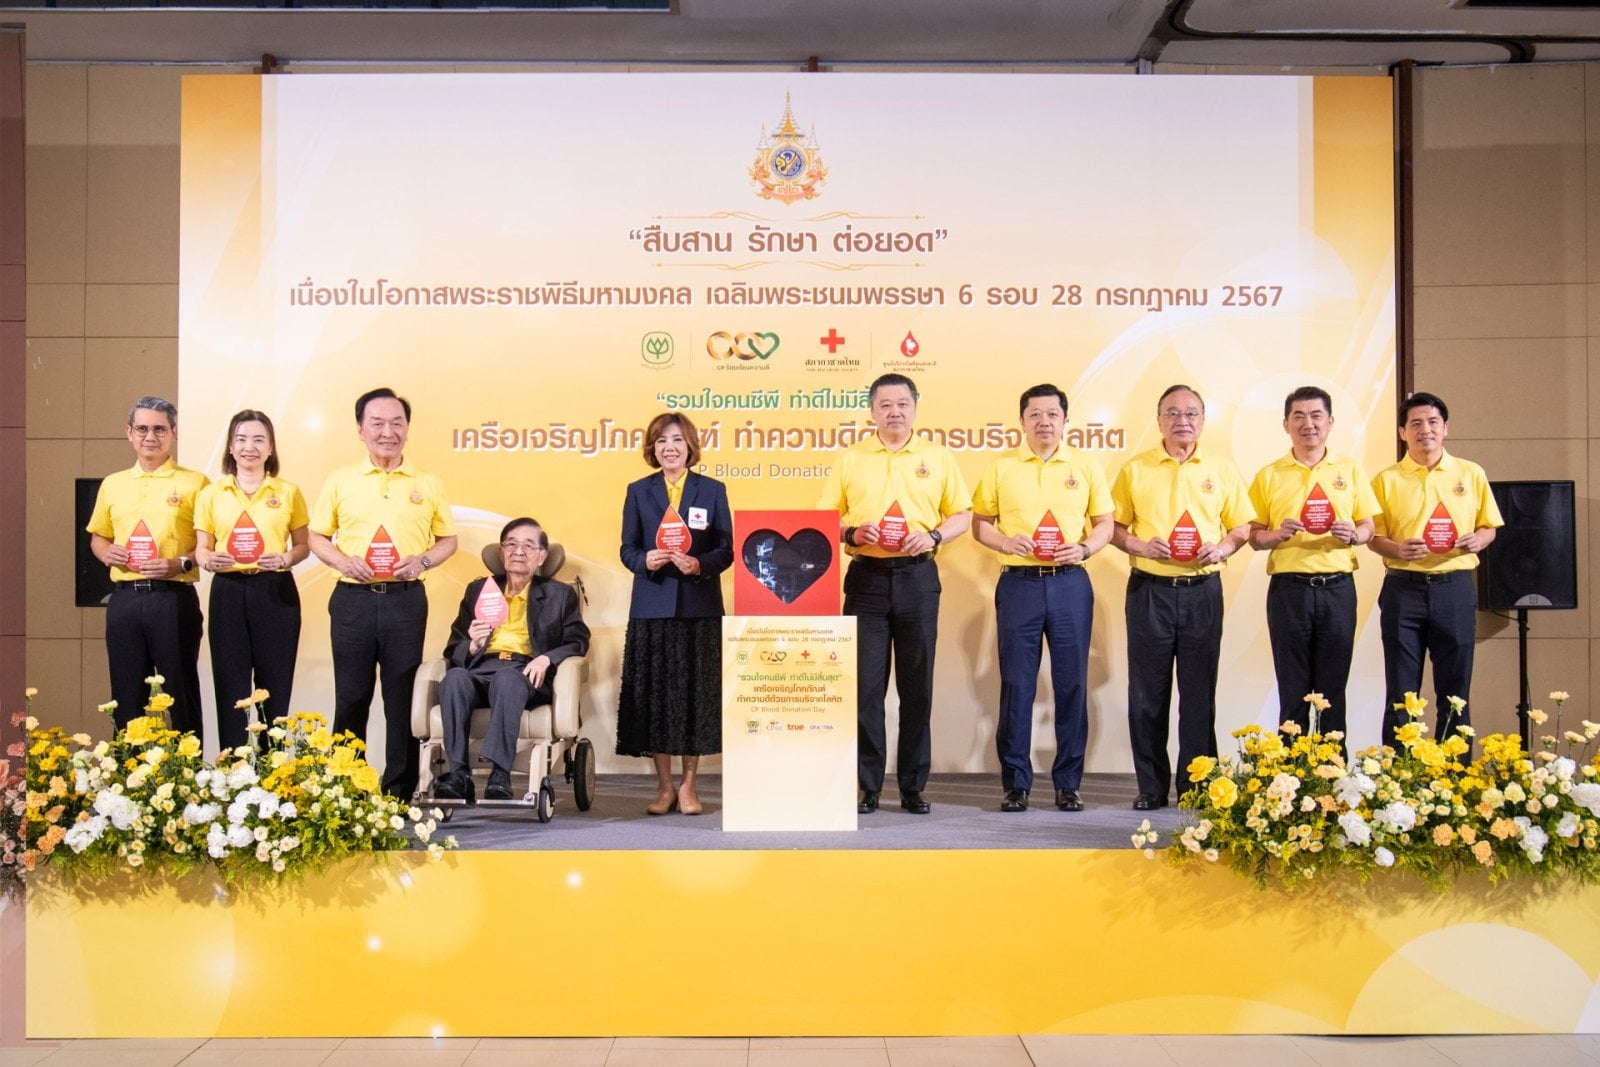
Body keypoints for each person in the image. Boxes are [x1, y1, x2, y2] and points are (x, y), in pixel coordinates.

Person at [818, 372, 971, 815]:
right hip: (866, 580)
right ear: (872, 411)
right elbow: (824, 517)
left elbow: (962, 515)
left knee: (916, 688)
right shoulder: (851, 459)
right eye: (885, 405)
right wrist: (851, 531)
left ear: (915, 407)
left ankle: (912, 788)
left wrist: (934, 536)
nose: (894, 412)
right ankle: (868, 787)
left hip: (918, 579)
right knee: (866, 690)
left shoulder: (937, 457)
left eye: (902, 404)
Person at [308, 387, 457, 798]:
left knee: (401, 698)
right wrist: (342, 561)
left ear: (407, 429)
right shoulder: (341, 480)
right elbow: (316, 536)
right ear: (360, 430)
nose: (387, 432)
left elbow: (448, 540)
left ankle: (398, 792)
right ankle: (346, 789)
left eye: (396, 423)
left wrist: (423, 561)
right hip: (352, 600)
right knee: (351, 696)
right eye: (377, 423)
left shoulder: (427, 483)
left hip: (405, 600)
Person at [972, 384, 1112, 813]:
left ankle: (1068, 784)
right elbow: (980, 523)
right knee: (1017, 684)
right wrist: (1003, 542)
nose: (1044, 422)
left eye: (1052, 414)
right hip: (1019, 584)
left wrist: (1085, 548)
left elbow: (1105, 524)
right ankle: (1016, 784)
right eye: (1035, 414)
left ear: (1065, 420)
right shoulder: (1001, 467)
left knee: (1072, 683)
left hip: (1071, 583)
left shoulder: (1085, 466)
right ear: (1022, 421)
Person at [1110, 384, 1251, 811]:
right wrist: (1140, 545)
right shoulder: (1135, 469)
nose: (1181, 421)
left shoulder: (1222, 469)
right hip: (1149, 591)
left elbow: (1241, 527)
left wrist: (1222, 549)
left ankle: (1197, 786)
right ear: (1159, 421)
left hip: (1202, 592)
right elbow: (1113, 528)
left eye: (1191, 413)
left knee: (1198, 695)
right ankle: (1151, 787)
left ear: (1203, 421)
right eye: (1172, 413)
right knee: (1147, 695)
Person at [616, 412, 733, 816]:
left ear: (690, 447)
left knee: (694, 697)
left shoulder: (712, 490)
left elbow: (726, 550)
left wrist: (699, 564)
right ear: (653, 448)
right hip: (652, 607)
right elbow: (627, 548)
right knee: (657, 698)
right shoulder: (638, 491)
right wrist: (644, 560)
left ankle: (689, 786)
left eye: (678, 440)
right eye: (662, 440)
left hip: (699, 607)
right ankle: (664, 787)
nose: (670, 447)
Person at [1247, 386, 1380, 738]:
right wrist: (1276, 535)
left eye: (1316, 415)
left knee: (1332, 691)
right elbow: (1254, 536)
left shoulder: (1350, 470)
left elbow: (1369, 527)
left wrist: (1354, 534)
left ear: (1330, 422)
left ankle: (1331, 767)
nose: (1309, 424)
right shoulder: (1269, 475)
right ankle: (1290, 769)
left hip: (1338, 589)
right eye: (1299, 416)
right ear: (1286, 424)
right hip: (1289, 591)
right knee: (1292, 689)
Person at [1370, 391, 1503, 742]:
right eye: (1415, 424)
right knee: (1401, 693)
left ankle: (1454, 771)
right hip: (1403, 589)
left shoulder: (1470, 473)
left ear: (1445, 428)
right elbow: (1373, 538)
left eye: (1432, 422)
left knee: (1455, 692)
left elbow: (1489, 527)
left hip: (1454, 588)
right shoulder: (1386, 479)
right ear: (1403, 432)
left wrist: (1479, 540)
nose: (1425, 430)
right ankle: (1398, 771)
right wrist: (1398, 548)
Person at [434, 518, 590, 803]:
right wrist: (473, 645)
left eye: (528, 546)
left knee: (507, 679)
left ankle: (499, 774)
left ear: (541, 556)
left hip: (525, 672)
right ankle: (458, 775)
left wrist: (546, 659)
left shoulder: (559, 594)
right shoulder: (479, 591)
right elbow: (453, 646)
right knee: (454, 678)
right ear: (501, 552)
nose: (518, 551)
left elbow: (578, 641)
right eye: (511, 544)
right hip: (481, 669)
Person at [86, 396, 209, 735]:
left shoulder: (196, 483)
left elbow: (209, 544)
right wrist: (106, 553)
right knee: (126, 695)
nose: (150, 437)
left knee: (180, 694)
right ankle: (127, 766)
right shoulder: (113, 483)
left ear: (174, 432)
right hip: (124, 599)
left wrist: (179, 562)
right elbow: (98, 537)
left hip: (173, 598)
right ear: (129, 432)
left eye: (159, 429)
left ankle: (189, 766)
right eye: (142, 429)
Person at [194, 410, 310, 750]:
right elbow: (201, 548)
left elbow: (303, 546)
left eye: (259, 440)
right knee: (231, 685)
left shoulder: (288, 492)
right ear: (230, 447)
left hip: (275, 591)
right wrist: (208, 559)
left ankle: (273, 766)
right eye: (242, 439)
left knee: (275, 685)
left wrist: (286, 558)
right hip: (228, 592)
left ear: (271, 447)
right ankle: (233, 767)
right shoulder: (212, 493)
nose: (250, 447)